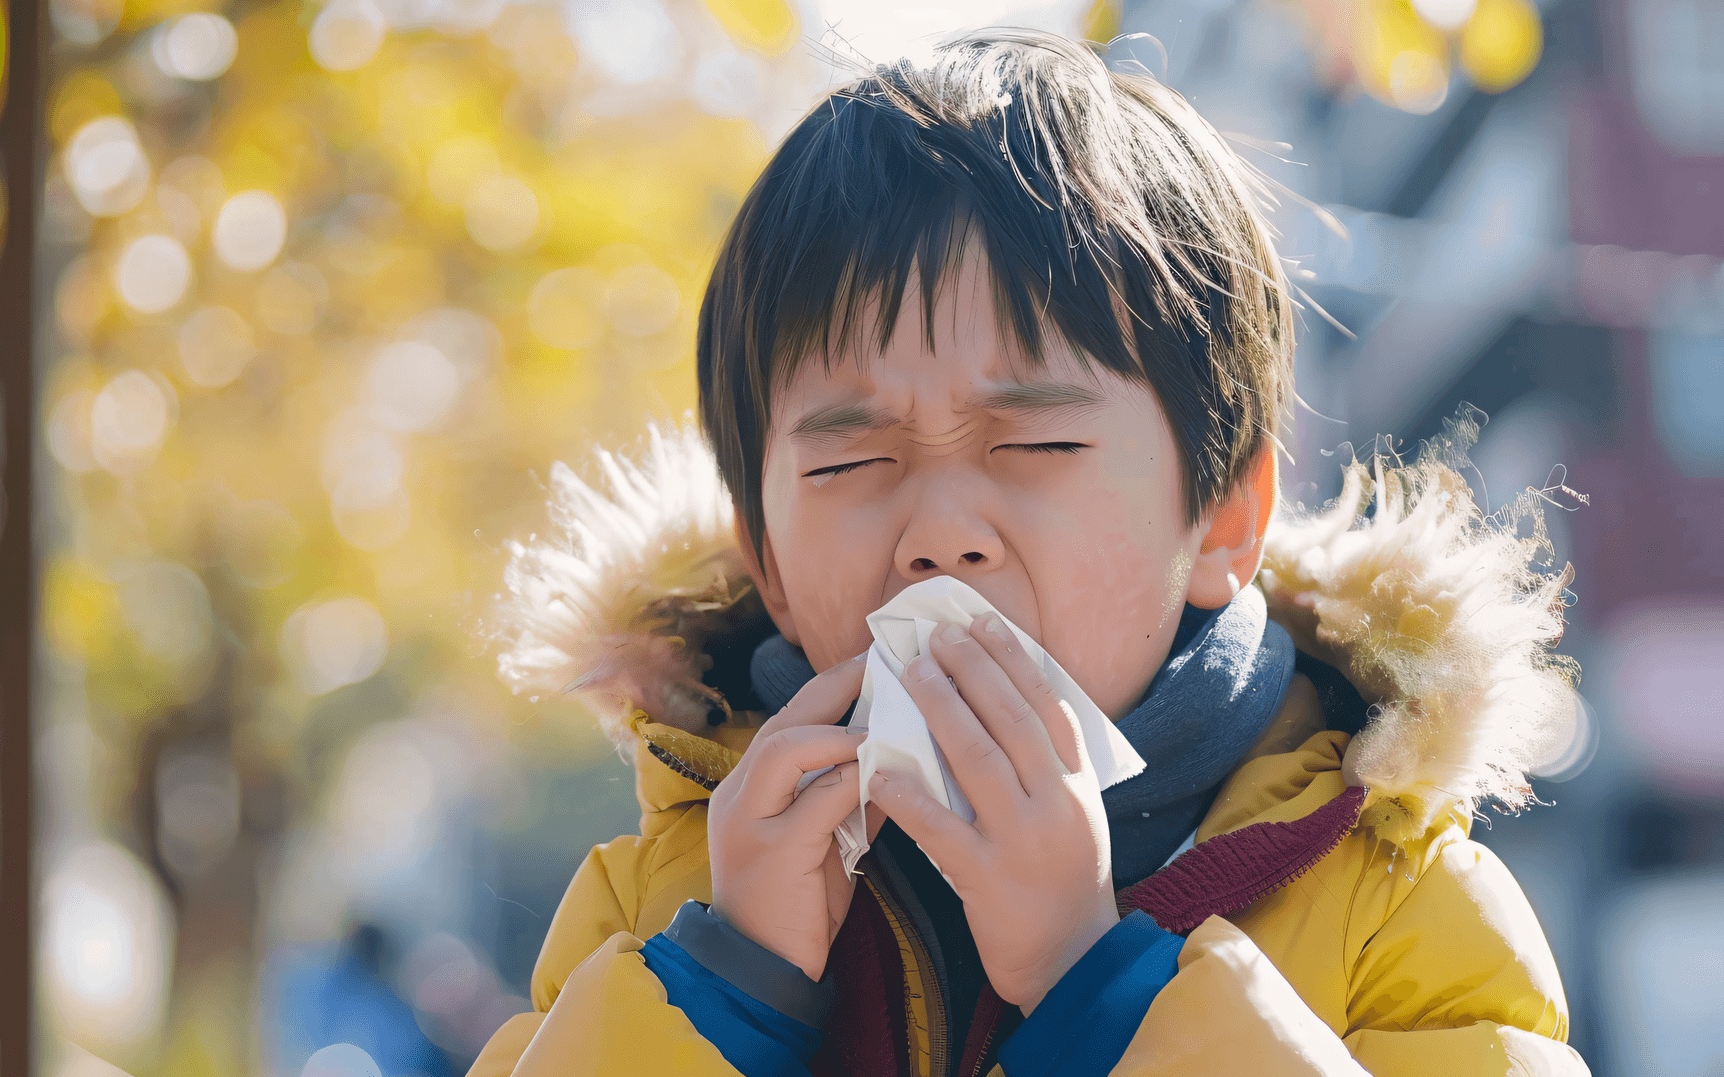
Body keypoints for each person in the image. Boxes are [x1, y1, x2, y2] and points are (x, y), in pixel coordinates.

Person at [472, 29, 1586, 1077]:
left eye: (1039, 441)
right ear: (762, 553)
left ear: (1223, 520)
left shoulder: (1399, 903)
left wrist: (1095, 986)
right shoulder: (662, 903)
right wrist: (726, 992)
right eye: (849, 464)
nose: (941, 534)